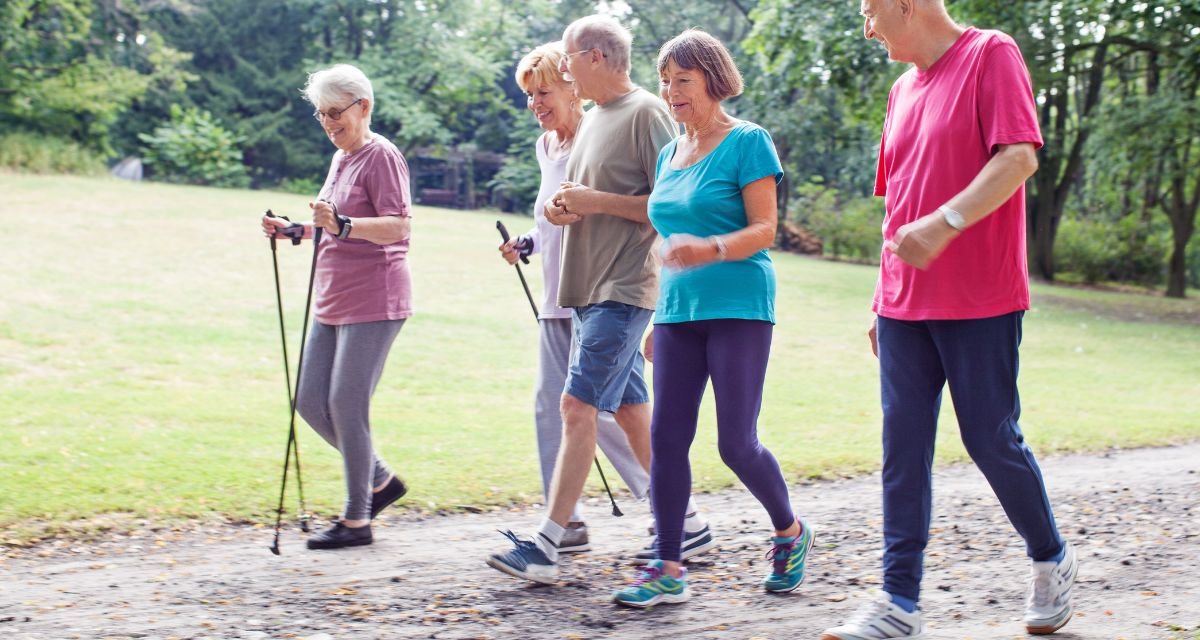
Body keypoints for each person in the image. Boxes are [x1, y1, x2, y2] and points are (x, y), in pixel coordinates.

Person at [822, 1, 1077, 637]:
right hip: (905, 302)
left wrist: (947, 224)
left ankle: (1050, 557)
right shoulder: (902, 90)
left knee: (990, 438)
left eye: (870, 11)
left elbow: (1018, 158)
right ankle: (897, 601)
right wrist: (882, 298)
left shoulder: (991, 54)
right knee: (902, 448)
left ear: (907, 3)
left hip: (981, 298)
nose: (867, 27)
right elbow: (898, 203)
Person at [487, 15, 714, 585]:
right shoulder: (592, 124)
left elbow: (676, 202)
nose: (562, 70)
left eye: (566, 60)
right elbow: (587, 199)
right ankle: (684, 524)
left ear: (594, 57)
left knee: (575, 407)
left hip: (625, 287)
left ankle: (548, 541)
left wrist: (594, 203)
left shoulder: (646, 113)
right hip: (586, 291)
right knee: (634, 413)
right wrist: (564, 212)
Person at [609, 29, 814, 609]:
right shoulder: (669, 153)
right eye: (666, 81)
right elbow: (666, 239)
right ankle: (668, 566)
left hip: (739, 304)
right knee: (667, 438)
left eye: (684, 80)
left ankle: (789, 532)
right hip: (678, 311)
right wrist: (659, 315)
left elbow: (765, 230)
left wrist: (712, 248)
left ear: (714, 82)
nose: (672, 92)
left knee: (736, 443)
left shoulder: (748, 141)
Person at [496, 41, 653, 555]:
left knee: (595, 407)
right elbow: (554, 219)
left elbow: (609, 213)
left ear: (572, 88)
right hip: (555, 296)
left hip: (603, 292)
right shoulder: (547, 148)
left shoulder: (598, 133)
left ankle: (660, 502)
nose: (534, 104)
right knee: (559, 406)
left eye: (542, 92)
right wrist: (528, 241)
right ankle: (571, 521)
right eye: (528, 95)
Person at [260, 63, 412, 550]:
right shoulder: (341, 158)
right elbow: (332, 221)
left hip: (375, 296)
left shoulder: (380, 156)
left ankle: (356, 519)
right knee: (309, 400)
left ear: (363, 107)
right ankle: (381, 481)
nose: (328, 123)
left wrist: (344, 225)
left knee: (346, 404)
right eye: (321, 114)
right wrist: (295, 230)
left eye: (335, 113)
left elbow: (398, 226)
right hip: (332, 296)